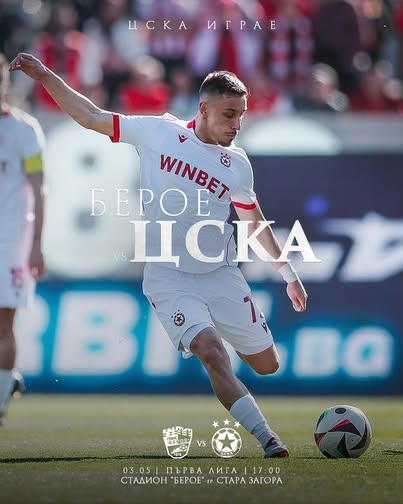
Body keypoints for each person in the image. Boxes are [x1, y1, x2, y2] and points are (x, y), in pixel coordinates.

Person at [9, 52, 308, 457]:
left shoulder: (237, 164)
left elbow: (253, 221)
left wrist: (289, 274)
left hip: (220, 274)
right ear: (203, 108)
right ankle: (268, 438)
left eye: (240, 115)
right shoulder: (158, 132)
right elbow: (92, 116)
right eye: (229, 114)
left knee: (267, 365)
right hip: (169, 276)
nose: (237, 125)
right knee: (212, 352)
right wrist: (45, 75)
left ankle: (236, 344)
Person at [0, 53, 45, 425]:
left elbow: (38, 188)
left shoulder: (24, 130)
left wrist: (36, 244)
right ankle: (7, 380)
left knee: (3, 323)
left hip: (9, 240)